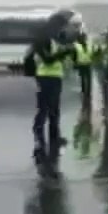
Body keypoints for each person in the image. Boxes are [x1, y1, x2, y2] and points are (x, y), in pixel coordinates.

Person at [30, 29, 70, 157]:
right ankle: (38, 132)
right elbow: (47, 60)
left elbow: (63, 59)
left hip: (56, 77)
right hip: (44, 77)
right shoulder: (40, 43)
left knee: (55, 106)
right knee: (43, 107)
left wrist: (65, 53)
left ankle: (54, 134)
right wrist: (63, 53)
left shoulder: (57, 44)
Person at [74, 31, 94, 107]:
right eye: (83, 37)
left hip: (88, 63)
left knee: (88, 78)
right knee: (82, 77)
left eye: (85, 37)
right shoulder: (77, 45)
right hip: (81, 64)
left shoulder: (89, 45)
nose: (84, 38)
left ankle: (88, 92)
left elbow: (91, 53)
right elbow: (75, 55)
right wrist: (75, 62)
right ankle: (83, 90)